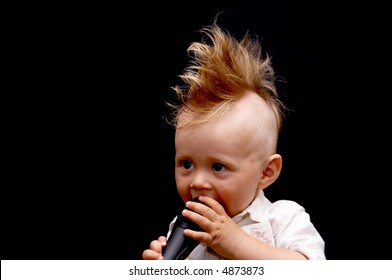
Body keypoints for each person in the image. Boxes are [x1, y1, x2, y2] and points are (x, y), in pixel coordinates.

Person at [142, 21, 326, 260]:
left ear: (266, 172)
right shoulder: (182, 228)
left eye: (218, 167)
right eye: (186, 164)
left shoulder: (282, 218)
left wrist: (234, 242)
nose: (197, 182)